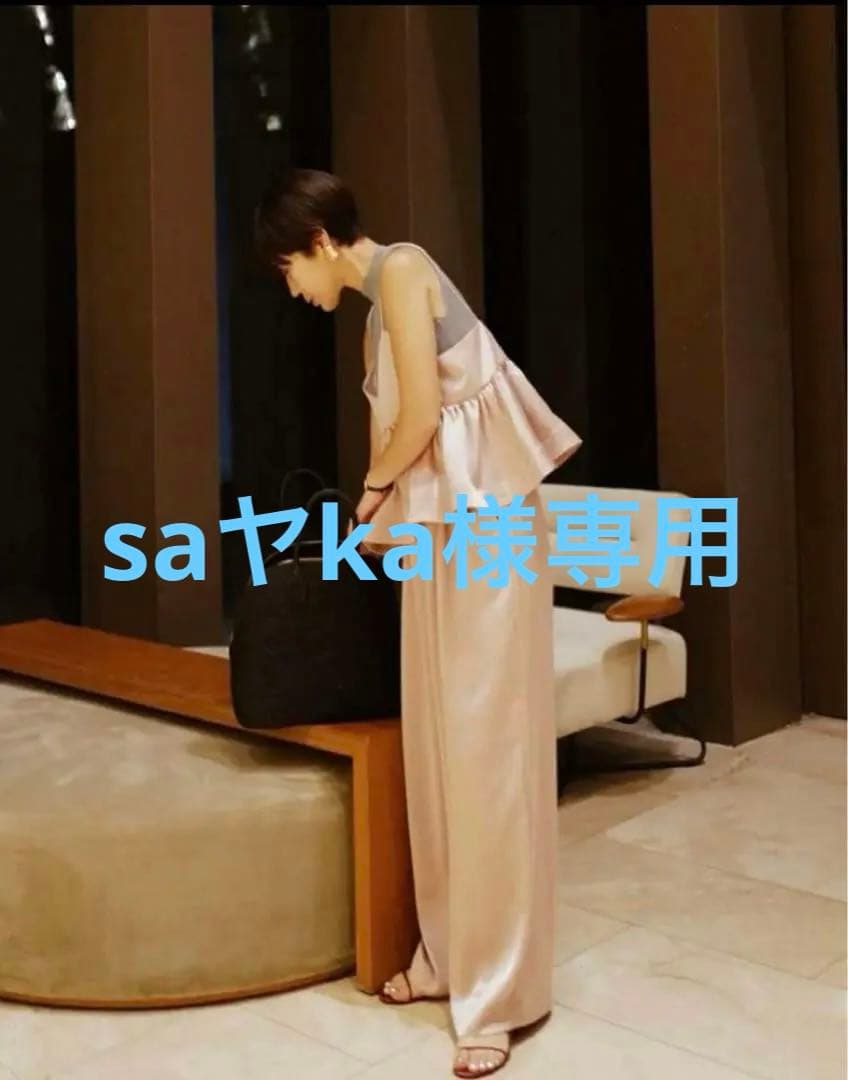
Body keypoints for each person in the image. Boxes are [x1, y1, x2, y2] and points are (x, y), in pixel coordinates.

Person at [255, 168, 582, 1078]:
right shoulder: (375, 314)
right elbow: (408, 431)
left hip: (488, 536)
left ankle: (498, 995)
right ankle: (447, 956)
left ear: (320, 241)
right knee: (441, 751)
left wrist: (365, 497)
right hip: (445, 541)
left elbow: (425, 422)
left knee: (487, 756)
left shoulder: (401, 268)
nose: (293, 290)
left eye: (288, 269)